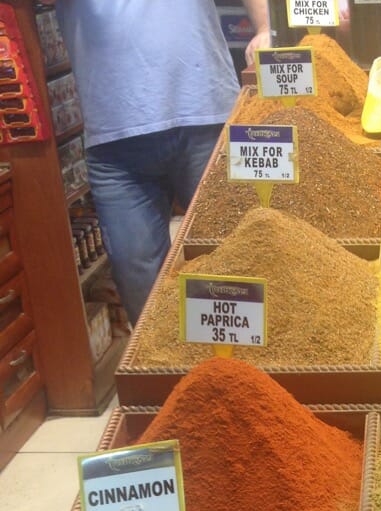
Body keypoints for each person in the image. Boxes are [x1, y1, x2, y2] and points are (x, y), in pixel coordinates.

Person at [55, 1, 271, 324]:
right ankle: (173, 376)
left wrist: (267, 27)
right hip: (115, 140)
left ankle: (245, 372)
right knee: (142, 297)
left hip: (204, 117)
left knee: (238, 270)